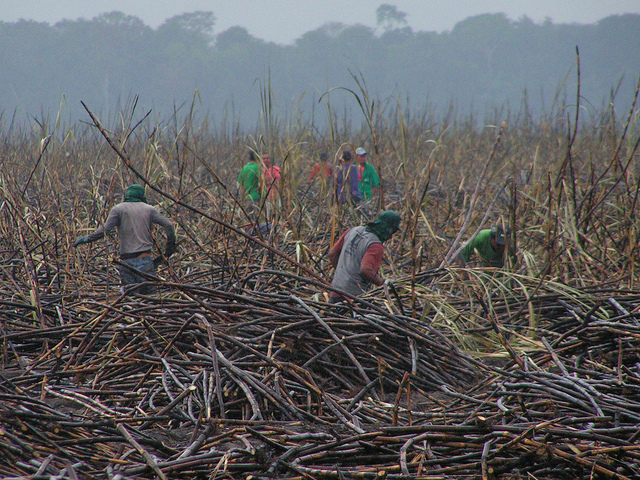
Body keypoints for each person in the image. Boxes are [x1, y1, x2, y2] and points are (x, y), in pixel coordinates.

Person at [73, 184, 176, 295]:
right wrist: (170, 248)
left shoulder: (118, 209)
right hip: (145, 261)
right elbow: (169, 225)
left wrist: (86, 239)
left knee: (132, 299)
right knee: (151, 297)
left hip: (126, 263)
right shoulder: (149, 209)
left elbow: (104, 230)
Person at [327, 210, 401, 303]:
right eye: (393, 231)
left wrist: (342, 273)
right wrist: (383, 284)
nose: (391, 236)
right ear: (388, 229)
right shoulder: (375, 245)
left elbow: (332, 254)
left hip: (335, 290)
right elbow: (365, 270)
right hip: (354, 297)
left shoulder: (353, 230)